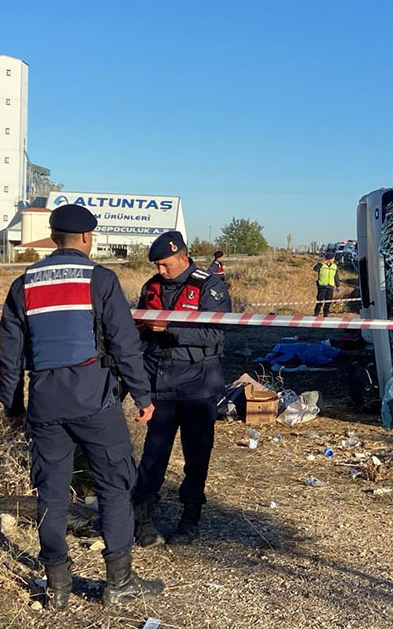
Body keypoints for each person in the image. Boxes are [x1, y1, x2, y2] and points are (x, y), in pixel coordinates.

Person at [0, 205, 164, 608]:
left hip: (46, 403)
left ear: (53, 237)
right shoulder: (100, 279)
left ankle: (57, 590)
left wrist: (13, 405)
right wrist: (142, 396)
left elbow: (9, 354)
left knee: (51, 494)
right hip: (94, 400)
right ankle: (119, 583)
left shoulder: (23, 285)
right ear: (87, 238)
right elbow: (125, 344)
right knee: (114, 487)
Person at [132, 231, 232, 548]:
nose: (161, 271)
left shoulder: (208, 284)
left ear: (183, 258)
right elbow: (141, 330)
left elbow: (214, 332)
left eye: (166, 265)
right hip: (160, 380)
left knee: (197, 453)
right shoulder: (152, 287)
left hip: (198, 383)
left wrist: (170, 327)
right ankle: (143, 517)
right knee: (154, 454)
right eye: (157, 265)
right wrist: (141, 329)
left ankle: (190, 518)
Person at [313, 252, 339, 316]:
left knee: (328, 301)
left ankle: (325, 314)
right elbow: (315, 269)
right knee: (320, 301)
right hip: (322, 286)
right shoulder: (321, 265)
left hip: (330, 286)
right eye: (333, 258)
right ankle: (316, 313)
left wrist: (338, 285)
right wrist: (321, 264)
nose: (334, 260)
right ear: (329, 259)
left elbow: (336, 276)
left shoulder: (334, 266)